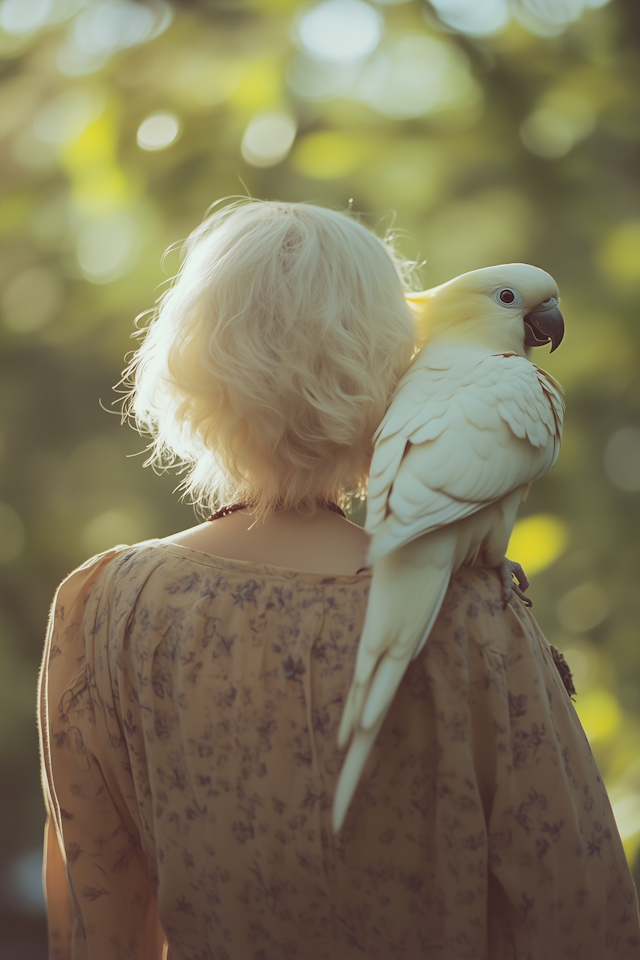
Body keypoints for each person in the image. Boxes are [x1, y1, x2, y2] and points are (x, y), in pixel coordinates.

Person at [38, 200, 640, 959]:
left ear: (186, 368)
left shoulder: (103, 608)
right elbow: (579, 907)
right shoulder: (470, 611)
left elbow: (95, 925)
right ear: (392, 363)